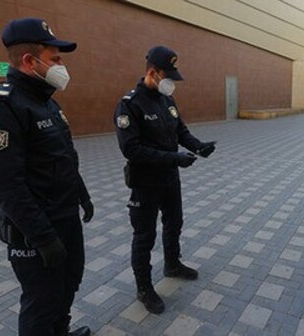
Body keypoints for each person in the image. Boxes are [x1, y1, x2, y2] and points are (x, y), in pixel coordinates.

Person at [0, 18, 93, 336]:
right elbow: (6, 185)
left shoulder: (44, 102)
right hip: (34, 229)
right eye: (56, 59)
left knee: (68, 283)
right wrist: (43, 238)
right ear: (29, 61)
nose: (61, 66)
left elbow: (64, 157)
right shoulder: (0, 108)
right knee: (41, 300)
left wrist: (82, 195)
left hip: (65, 217)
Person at [113, 46, 216, 314]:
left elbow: (180, 130)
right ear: (152, 72)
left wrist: (199, 147)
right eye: (167, 74)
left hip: (169, 179)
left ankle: (172, 264)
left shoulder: (166, 99)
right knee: (144, 236)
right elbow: (131, 149)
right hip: (145, 183)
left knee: (174, 224)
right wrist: (174, 158)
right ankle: (144, 288)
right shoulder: (129, 104)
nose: (172, 81)